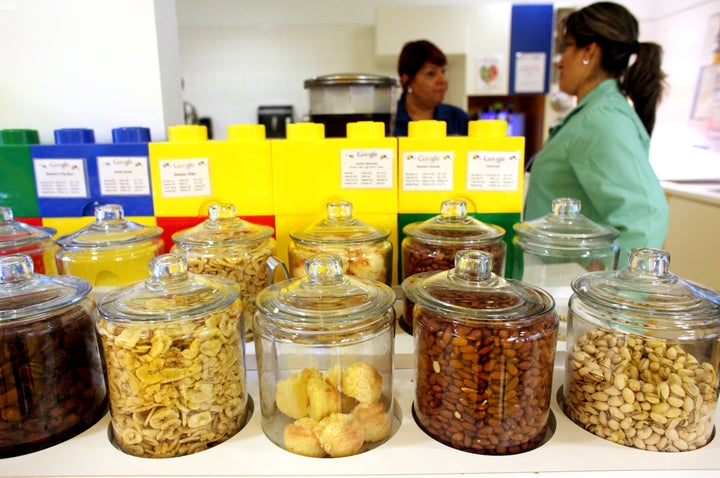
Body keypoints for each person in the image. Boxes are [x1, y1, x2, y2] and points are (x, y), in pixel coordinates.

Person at [523, 2, 669, 267]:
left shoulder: (601, 120)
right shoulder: (594, 114)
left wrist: (617, 295)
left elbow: (645, 216)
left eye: (566, 47)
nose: (560, 62)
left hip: (568, 285)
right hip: (555, 279)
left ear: (589, 51)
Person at [394, 40, 469, 136]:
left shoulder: (458, 118)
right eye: (431, 74)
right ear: (407, 80)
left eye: (443, 71)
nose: (443, 80)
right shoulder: (388, 121)